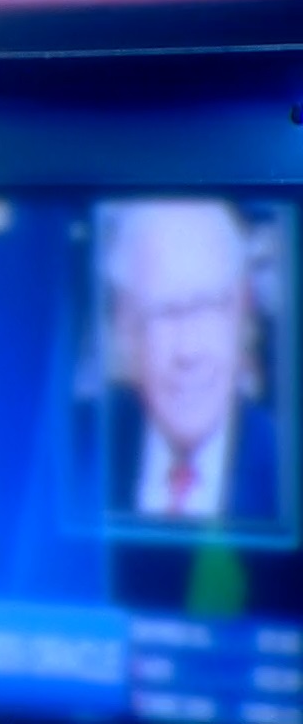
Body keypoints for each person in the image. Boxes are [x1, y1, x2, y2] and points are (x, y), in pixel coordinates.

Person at [102, 200, 281, 524]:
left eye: (207, 305)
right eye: (165, 311)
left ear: (243, 315)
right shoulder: (86, 451)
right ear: (126, 327)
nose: (188, 351)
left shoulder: (287, 465)